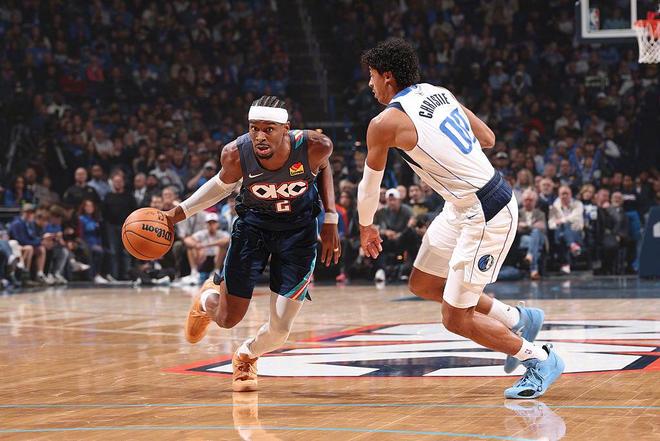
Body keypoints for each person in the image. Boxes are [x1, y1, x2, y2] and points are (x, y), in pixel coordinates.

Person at [357, 38, 563, 399]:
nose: (370, 84)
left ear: (387, 76)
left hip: (485, 210)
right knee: (423, 283)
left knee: (455, 318)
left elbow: (370, 184)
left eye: (371, 76)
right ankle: (518, 319)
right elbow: (488, 138)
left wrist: (365, 226)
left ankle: (540, 359)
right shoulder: (439, 92)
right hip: (460, 205)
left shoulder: (384, 123)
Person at [165, 96, 340, 392]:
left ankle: (246, 355)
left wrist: (331, 217)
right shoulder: (236, 153)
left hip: (298, 234)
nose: (259, 136)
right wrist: (176, 214)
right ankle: (207, 300)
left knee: (280, 331)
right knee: (227, 319)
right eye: (254, 128)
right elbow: (218, 187)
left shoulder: (314, 145)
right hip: (253, 230)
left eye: (268, 129)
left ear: (286, 129)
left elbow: (322, 167)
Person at [517, 190, 547, 280]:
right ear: (523, 201)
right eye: (526, 200)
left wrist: (526, 226)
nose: (528, 202)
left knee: (536, 233)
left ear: (535, 202)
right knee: (534, 240)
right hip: (524, 238)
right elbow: (517, 229)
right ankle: (534, 270)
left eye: (531, 200)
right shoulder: (518, 213)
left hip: (540, 238)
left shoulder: (540, 213)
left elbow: (542, 227)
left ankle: (530, 255)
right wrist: (533, 226)